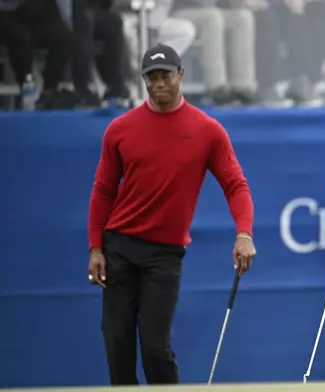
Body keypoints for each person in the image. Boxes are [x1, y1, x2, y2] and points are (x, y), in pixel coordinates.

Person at [86, 43, 256, 385]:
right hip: (119, 247)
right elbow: (103, 191)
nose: (158, 83)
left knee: (155, 349)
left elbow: (236, 185)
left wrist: (244, 233)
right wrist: (95, 248)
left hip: (164, 255)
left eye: (165, 75)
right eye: (151, 77)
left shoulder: (207, 131)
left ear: (180, 75)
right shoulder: (120, 129)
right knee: (117, 344)